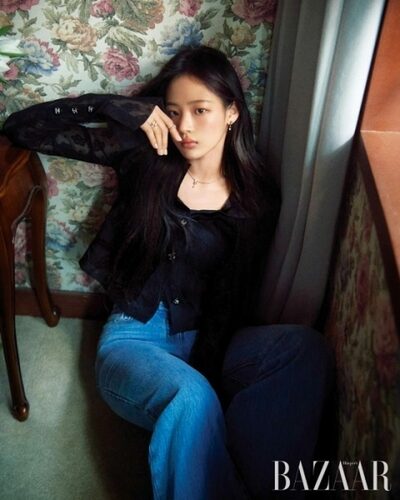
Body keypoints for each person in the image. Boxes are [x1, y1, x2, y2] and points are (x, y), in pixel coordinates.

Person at [3, 46, 335, 500]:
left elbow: (231, 298)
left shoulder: (256, 197)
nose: (185, 127)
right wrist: (111, 106)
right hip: (134, 338)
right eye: (174, 111)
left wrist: (208, 371)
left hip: (210, 336)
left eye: (201, 110)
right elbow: (21, 128)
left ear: (232, 112)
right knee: (191, 398)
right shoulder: (145, 156)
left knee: (304, 349)